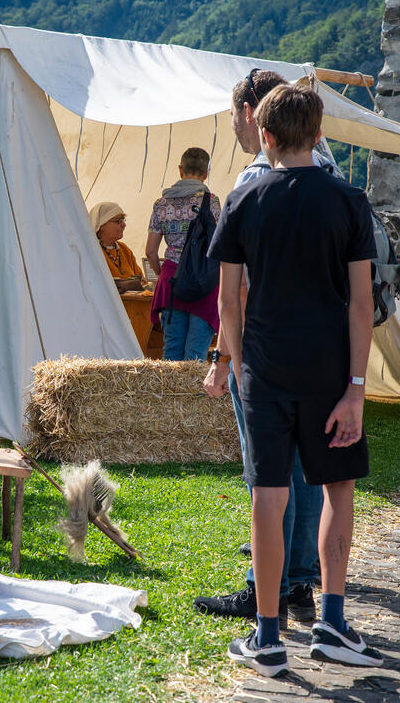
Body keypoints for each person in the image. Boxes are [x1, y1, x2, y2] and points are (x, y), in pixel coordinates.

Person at [209, 83, 383, 676]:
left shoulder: (242, 201)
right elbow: (362, 305)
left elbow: (229, 300)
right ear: (319, 134)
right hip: (333, 370)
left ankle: (268, 635)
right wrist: (357, 385)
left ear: (265, 134)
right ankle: (331, 621)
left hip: (264, 367)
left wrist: (236, 363)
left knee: (268, 496)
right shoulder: (348, 201)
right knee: (336, 490)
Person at [193, 70, 327, 627]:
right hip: (320, 349)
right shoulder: (331, 173)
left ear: (254, 114)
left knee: (267, 475)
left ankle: (264, 590)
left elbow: (236, 290)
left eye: (232, 114)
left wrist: (225, 361)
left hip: (266, 350)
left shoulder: (253, 184)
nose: (233, 126)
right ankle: (300, 583)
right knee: (307, 473)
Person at [145, 147, 222, 361]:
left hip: (172, 279)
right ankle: (192, 395)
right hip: (203, 280)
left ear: (180, 170)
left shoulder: (161, 204)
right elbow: (221, 246)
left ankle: (169, 395)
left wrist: (163, 274)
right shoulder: (211, 202)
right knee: (196, 353)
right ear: (206, 172)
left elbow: (150, 251)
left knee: (171, 350)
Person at [90, 202, 144, 289]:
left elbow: (142, 280)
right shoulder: (92, 251)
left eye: (123, 219)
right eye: (119, 221)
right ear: (101, 225)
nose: (124, 224)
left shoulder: (123, 249)